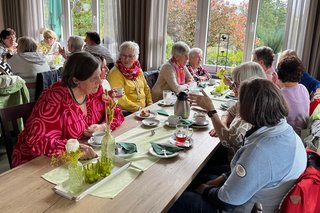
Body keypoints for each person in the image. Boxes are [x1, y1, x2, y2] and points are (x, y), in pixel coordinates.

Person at [170, 78, 307, 213]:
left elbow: (225, 201)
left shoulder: (260, 151)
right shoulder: (287, 133)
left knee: (176, 200)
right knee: (196, 179)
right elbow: (253, 170)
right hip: (261, 195)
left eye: (240, 101)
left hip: (240, 206)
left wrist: (205, 190)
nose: (238, 104)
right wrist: (220, 179)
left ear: (250, 108)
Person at [12, 52, 125, 167]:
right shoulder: (54, 98)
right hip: (38, 162)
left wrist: (102, 127)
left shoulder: (95, 91)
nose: (100, 82)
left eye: (99, 75)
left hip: (81, 158)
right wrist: (73, 148)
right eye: (93, 78)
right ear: (76, 80)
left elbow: (116, 114)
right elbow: (36, 141)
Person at [189, 62, 267, 161]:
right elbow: (229, 111)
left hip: (236, 168)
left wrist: (211, 110)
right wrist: (223, 124)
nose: (231, 88)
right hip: (235, 162)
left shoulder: (253, 113)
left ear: (249, 84)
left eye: (235, 84)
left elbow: (226, 141)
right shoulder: (247, 101)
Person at [107, 41, 152, 112]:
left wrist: (150, 104)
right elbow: (120, 99)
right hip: (126, 112)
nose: (126, 59)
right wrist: (138, 109)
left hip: (143, 110)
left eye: (130, 56)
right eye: (123, 55)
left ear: (136, 57)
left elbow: (146, 88)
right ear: (119, 55)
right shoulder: (115, 73)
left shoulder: (138, 70)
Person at [7, 36, 50, 101]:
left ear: (20, 47)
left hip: (26, 96)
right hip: (45, 96)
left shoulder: (16, 58)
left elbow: (7, 73)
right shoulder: (42, 57)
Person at [277, 55, 310, 135]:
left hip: (288, 135)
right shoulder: (303, 89)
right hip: (303, 134)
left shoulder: (281, 94)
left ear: (280, 73)